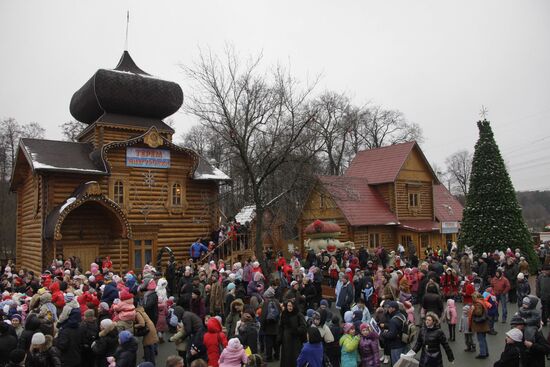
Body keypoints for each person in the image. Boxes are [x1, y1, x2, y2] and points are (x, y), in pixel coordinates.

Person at [278, 300, 307, 367]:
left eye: (291, 306)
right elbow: (281, 326)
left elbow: (304, 327)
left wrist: (296, 331)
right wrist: (279, 338)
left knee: (294, 356)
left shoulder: (298, 314)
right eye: (288, 306)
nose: (289, 307)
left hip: (295, 340)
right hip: (285, 339)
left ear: (294, 306)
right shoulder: (284, 314)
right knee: (286, 356)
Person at [380, 301, 407, 366]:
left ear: (393, 309)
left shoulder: (393, 320)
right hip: (403, 342)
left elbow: (391, 335)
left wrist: (383, 333)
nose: (387, 309)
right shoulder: (402, 315)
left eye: (389, 308)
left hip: (396, 346)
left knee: (396, 364)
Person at [470, 293, 490, 359]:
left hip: (480, 325)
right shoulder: (482, 301)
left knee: (481, 339)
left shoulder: (477, 303)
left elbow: (478, 313)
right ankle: (486, 352)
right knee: (483, 339)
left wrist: (473, 310)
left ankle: (482, 353)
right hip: (483, 324)